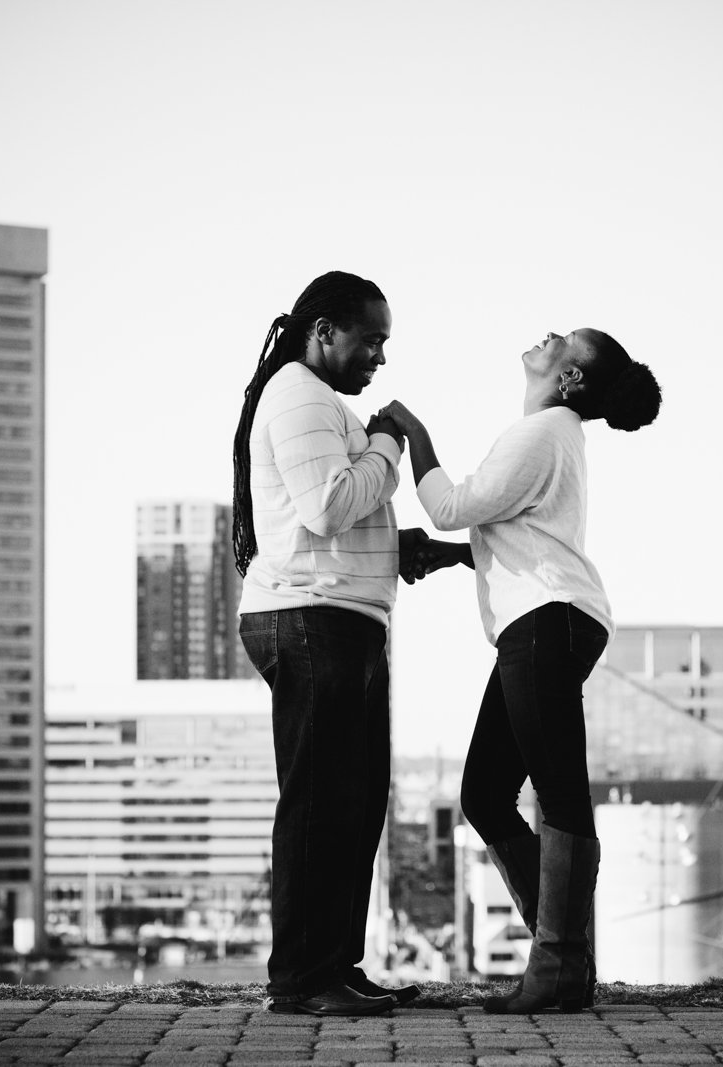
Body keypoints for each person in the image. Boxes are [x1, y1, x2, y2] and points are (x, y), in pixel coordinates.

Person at [378, 327, 661, 1014]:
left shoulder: (541, 434)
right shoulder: (555, 437)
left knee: (559, 794)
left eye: (563, 338)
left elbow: (451, 503)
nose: (547, 336)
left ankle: (560, 968)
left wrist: (412, 429)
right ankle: (563, 954)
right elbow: (512, 537)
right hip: (544, 621)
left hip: (546, 623)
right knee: (483, 792)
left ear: (568, 378)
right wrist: (448, 556)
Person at [231, 270, 464, 1017]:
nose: (380, 358)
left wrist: (399, 545)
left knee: (356, 804)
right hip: (308, 619)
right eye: (371, 340)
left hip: (340, 617)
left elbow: (322, 519)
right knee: (319, 802)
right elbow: (330, 506)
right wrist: (392, 441)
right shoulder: (299, 392)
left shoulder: (320, 400)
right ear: (323, 331)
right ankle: (301, 979)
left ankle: (335, 963)